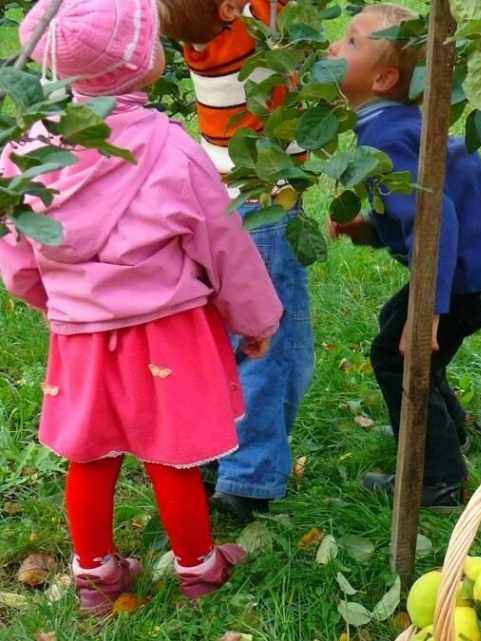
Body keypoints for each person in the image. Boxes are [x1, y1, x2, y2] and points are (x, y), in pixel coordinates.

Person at [0, 0, 283, 613]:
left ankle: (96, 577)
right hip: (167, 332)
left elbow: (17, 249)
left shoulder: (26, 150)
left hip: (79, 336)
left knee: (90, 454)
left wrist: (51, 300)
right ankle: (198, 568)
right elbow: (223, 243)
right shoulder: (168, 145)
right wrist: (256, 320)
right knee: (171, 454)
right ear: (138, 63)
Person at [327, 4, 481, 510]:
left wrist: (428, 315)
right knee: (394, 328)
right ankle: (449, 432)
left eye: (350, 43)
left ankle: (438, 481)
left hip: (478, 270)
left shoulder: (383, 135)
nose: (334, 47)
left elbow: (432, 218)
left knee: (399, 354)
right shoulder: (391, 123)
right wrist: (369, 228)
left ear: (382, 78)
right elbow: (416, 204)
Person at [157, 0, 315, 523]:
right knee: (271, 342)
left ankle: (212, 449)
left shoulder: (198, 36)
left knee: (226, 339)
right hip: (263, 202)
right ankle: (249, 475)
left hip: (219, 199)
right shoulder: (251, 26)